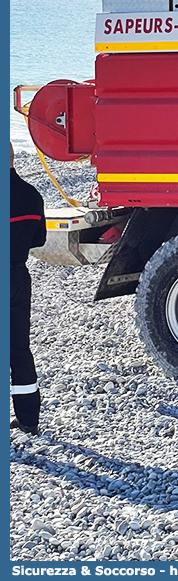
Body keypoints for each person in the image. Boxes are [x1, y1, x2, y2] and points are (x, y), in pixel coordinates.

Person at [10, 144, 46, 435]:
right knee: (19, 350)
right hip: (18, 277)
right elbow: (39, 240)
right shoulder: (32, 194)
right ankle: (28, 420)